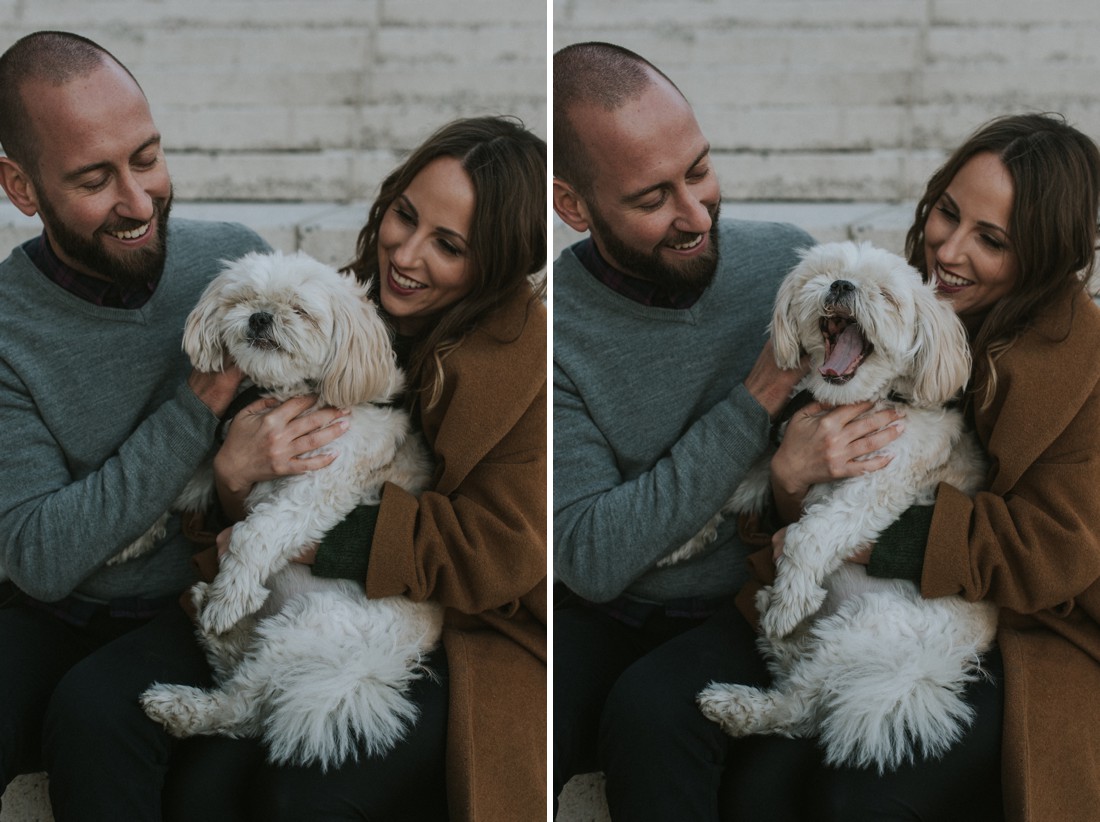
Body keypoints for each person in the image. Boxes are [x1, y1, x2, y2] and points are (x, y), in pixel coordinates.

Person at [0, 31, 347, 821]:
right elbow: (39, 555)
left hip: (197, 602)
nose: (138, 200)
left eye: (147, 157)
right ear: (20, 187)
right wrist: (197, 405)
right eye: (94, 179)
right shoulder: (8, 328)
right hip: (48, 608)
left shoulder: (237, 268)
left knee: (98, 717)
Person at [551, 42, 904, 820]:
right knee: (510, 717)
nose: (696, 213)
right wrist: (754, 401)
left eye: (700, 170)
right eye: (652, 199)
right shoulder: (553, 333)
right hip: (606, 611)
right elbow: (591, 554)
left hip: (753, 601)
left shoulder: (787, 266)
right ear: (573, 206)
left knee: (656, 716)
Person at [162, 116, 548, 822]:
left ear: (491, 268)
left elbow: (508, 550)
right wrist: (230, 482)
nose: (405, 252)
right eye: (405, 215)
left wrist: (319, 539)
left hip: (467, 633)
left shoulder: (526, 362)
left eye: (449, 245)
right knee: (199, 789)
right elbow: (255, 485)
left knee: (299, 796)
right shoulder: (333, 306)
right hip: (307, 609)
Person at [720, 112, 1100, 821]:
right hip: (871, 611)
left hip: (1029, 632)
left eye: (990, 240)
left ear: (1041, 259)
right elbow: (805, 484)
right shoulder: (889, 302)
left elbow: (1060, 549)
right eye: (947, 213)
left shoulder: (1083, 364)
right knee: (755, 789)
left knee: (857, 796)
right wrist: (785, 488)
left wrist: (877, 539)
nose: (948, 249)